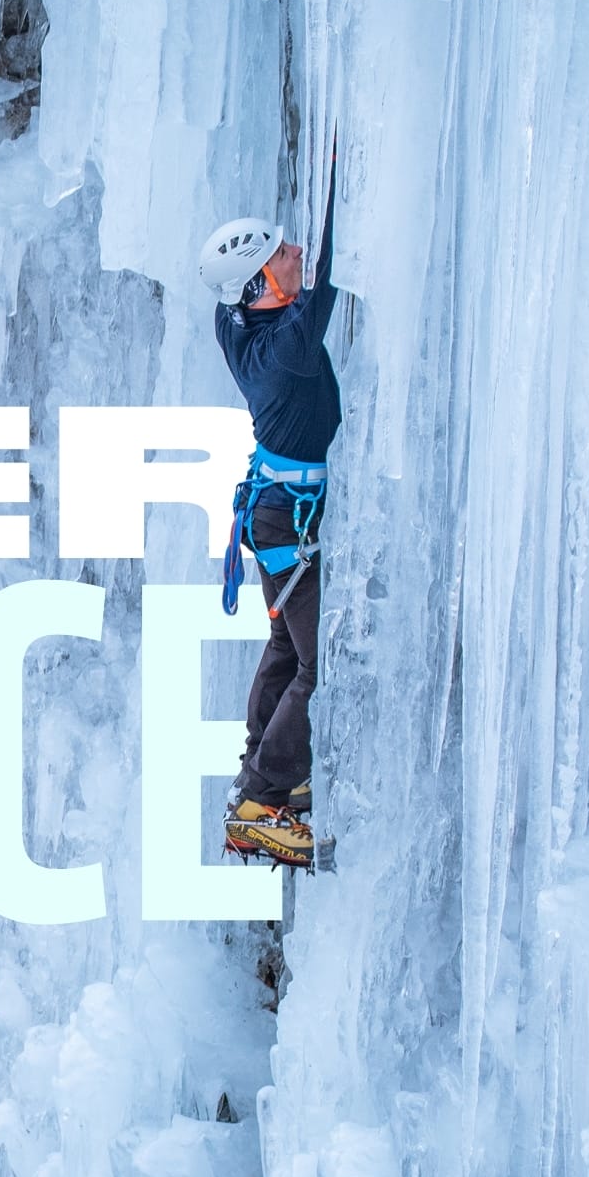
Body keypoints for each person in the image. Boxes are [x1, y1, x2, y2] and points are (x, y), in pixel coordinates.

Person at [197, 176, 337, 867]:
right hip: (286, 525)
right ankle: (261, 800)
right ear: (261, 287)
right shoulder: (284, 350)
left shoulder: (238, 324)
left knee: (286, 646)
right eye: (282, 255)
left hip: (276, 519)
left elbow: (255, 298)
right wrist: (341, 168)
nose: (298, 254)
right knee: (318, 663)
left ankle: (266, 782)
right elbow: (333, 275)